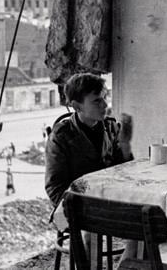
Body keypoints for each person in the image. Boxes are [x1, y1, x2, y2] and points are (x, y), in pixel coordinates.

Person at [45, 73, 135, 258]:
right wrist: (84, 206)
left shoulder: (110, 128)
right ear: (77, 106)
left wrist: (125, 144)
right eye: (96, 101)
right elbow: (54, 186)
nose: (104, 105)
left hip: (109, 199)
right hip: (76, 205)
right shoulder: (62, 136)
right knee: (91, 235)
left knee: (147, 224)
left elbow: (125, 173)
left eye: (104, 98)